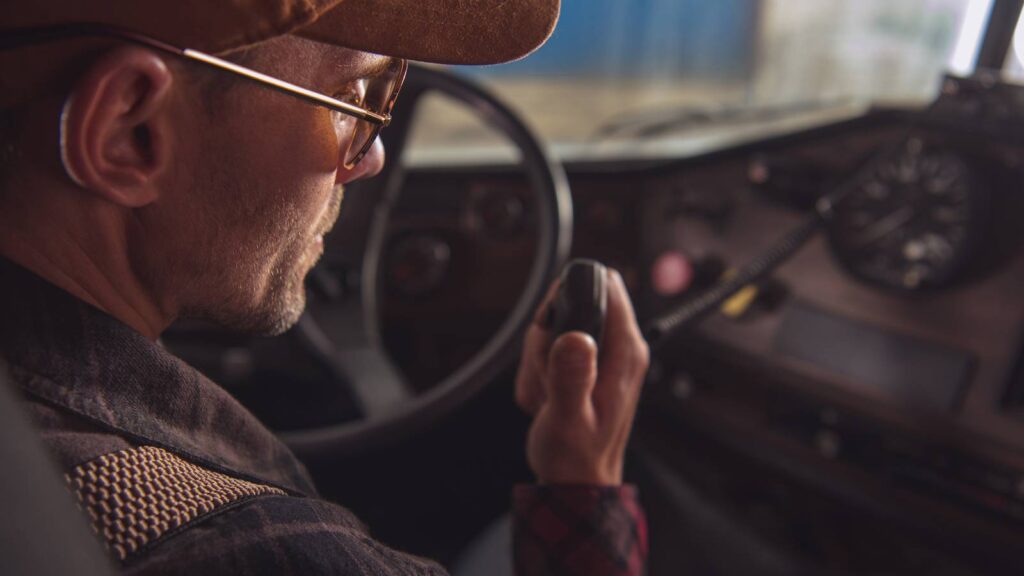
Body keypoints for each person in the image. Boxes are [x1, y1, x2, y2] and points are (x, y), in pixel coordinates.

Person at [0, 1, 651, 574]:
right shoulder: (259, 553)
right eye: (357, 97)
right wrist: (583, 492)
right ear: (128, 134)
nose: (371, 158)